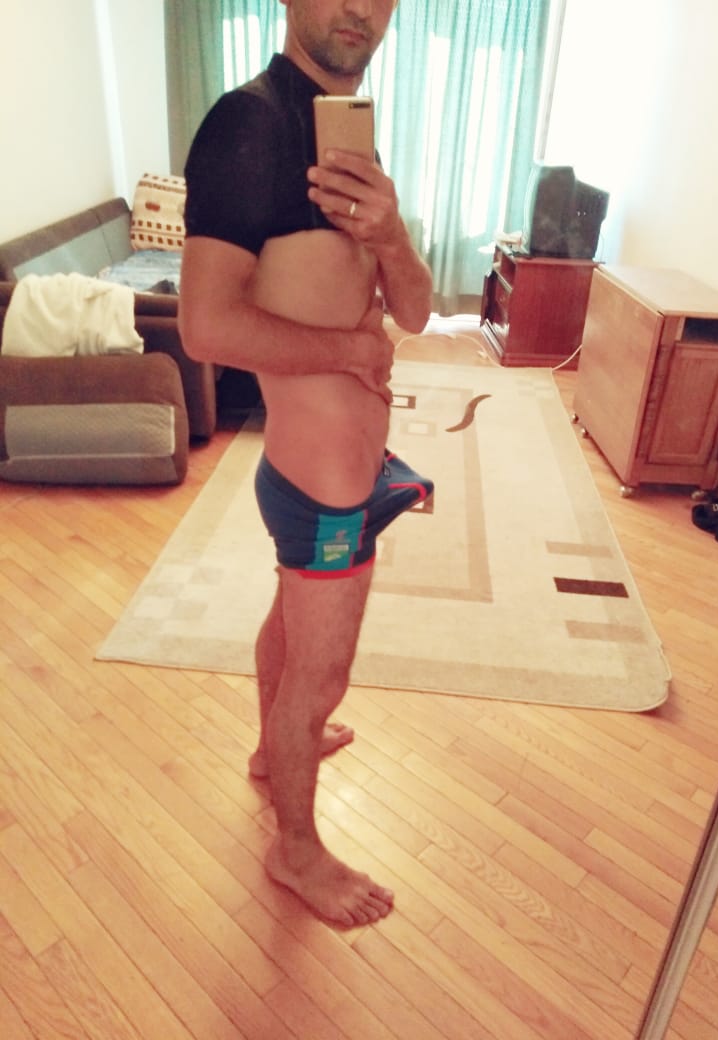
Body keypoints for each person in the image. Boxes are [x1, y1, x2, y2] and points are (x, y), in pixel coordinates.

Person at [178, 0, 433, 928]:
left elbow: (415, 312)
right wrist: (350, 352)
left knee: (289, 624)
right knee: (319, 679)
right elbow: (206, 327)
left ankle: (270, 750)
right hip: (320, 487)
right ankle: (295, 851)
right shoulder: (248, 125)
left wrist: (390, 235)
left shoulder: (344, 135)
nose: (360, 7)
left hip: (332, 472)